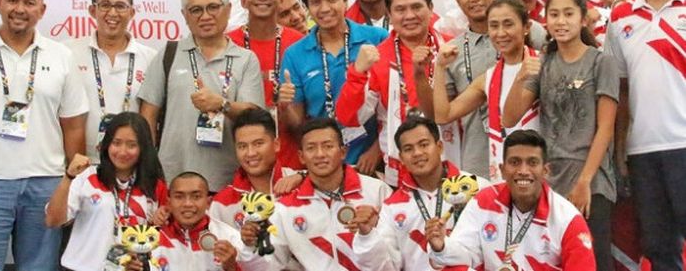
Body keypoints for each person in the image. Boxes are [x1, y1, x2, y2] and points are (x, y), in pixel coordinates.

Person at [503, 0, 619, 271]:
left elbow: (605, 127)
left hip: (593, 182)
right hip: (551, 181)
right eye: (554, 14)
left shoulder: (601, 61)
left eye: (569, 14)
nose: (561, 21)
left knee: (595, 261)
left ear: (582, 19)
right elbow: (509, 117)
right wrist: (521, 75)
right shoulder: (543, 63)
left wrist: (584, 183)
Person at [0, 0, 88, 271]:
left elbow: (73, 125)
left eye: (29, 3)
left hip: (46, 183)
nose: (20, 9)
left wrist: (72, 183)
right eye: (13, 1)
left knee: (40, 267)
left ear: (42, 10)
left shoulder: (61, 56)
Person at [604, 0, 686, 271]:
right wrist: (622, 150)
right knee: (657, 245)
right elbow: (619, 91)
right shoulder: (620, 17)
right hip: (643, 153)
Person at [138, 0, 264, 192]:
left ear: (228, 9)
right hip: (172, 179)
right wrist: (149, 164)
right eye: (196, 10)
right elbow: (147, 114)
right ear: (184, 15)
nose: (205, 16)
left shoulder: (246, 59)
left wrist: (222, 104)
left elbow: (252, 115)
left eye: (213, 7)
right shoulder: (169, 54)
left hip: (227, 181)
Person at [335, 0, 448, 185]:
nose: (409, 15)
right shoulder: (378, 58)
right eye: (400, 9)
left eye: (417, 7)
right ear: (389, 13)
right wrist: (357, 73)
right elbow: (350, 118)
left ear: (431, 8)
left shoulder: (452, 49)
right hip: (401, 178)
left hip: (453, 168)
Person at [426, 130, 596, 270]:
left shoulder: (567, 219)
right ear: (502, 169)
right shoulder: (483, 201)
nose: (523, 170)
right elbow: (462, 257)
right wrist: (441, 247)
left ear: (545, 171)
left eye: (532, 163)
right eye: (515, 162)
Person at [435, 0, 545, 177]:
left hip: (537, 163)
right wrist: (439, 67)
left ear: (526, 28)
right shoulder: (488, 75)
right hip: (487, 161)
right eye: (494, 26)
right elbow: (443, 115)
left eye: (508, 25)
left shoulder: (542, 59)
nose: (500, 33)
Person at [240, 117, 391, 271]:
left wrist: (369, 235)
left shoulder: (377, 191)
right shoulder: (285, 208)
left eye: (328, 146)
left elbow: (395, 259)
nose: (320, 154)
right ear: (301, 157)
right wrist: (250, 246)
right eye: (311, 148)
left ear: (343, 152)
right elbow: (268, 266)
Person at [279, 0, 388, 169]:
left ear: (345, 0)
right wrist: (284, 106)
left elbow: (394, 106)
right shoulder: (295, 55)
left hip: (374, 162)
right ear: (307, 8)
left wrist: (378, 150)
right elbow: (297, 125)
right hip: (324, 164)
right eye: (316, 2)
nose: (325, 8)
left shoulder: (377, 38)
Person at [351, 116, 483, 271]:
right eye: (408, 149)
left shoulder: (477, 188)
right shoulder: (392, 206)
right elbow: (385, 266)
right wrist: (367, 235)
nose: (417, 153)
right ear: (401, 158)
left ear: (440, 147)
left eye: (424, 144)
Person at [45, 112, 167, 271]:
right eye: (116, 143)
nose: (122, 152)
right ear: (107, 144)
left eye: (131, 145)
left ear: (143, 148)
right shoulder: (87, 176)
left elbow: (159, 241)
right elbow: (52, 220)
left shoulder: (154, 186)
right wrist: (68, 177)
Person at [67, 0, 157, 163]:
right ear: (93, 10)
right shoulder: (68, 52)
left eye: (120, 6)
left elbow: (151, 116)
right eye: (105, 5)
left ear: (132, 12)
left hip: (131, 162)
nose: (112, 13)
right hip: (82, 161)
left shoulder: (150, 58)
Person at [227, 0, 304, 169]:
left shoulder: (300, 43)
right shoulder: (226, 44)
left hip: (290, 162)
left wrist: (287, 106)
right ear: (243, 1)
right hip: (241, 161)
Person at [124, 172, 269, 271]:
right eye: (179, 197)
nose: (188, 204)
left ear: (208, 202)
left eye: (196, 196)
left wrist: (231, 267)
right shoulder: (148, 242)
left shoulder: (229, 238)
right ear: (169, 202)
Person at [209, 108, 300, 229]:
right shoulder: (221, 202)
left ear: (276, 145)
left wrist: (303, 176)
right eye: (242, 146)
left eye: (258, 144)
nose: (250, 153)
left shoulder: (301, 184)